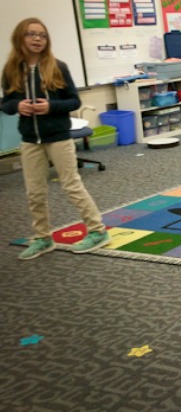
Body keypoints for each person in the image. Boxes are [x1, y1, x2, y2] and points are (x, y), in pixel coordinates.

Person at [0, 18, 111, 259]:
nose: (37, 39)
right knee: (34, 191)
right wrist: (17, 105)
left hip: (58, 136)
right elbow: (5, 103)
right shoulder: (11, 70)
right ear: (20, 38)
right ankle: (42, 237)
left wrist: (49, 107)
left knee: (71, 184)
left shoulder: (57, 66)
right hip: (30, 139)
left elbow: (74, 101)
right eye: (31, 34)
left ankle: (97, 230)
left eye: (42, 35)